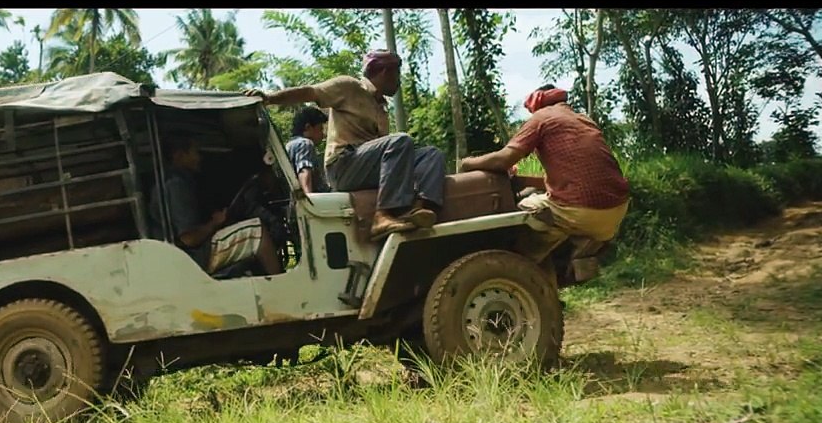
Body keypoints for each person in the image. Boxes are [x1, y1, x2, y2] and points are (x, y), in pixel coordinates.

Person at [245, 50, 448, 239]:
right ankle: (382, 216)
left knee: (431, 154)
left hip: (368, 167)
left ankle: (417, 209)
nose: (399, 81)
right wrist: (270, 98)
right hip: (343, 165)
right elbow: (309, 92)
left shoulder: (382, 108)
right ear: (385, 72)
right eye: (397, 74)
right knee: (401, 141)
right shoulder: (349, 86)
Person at [459, 84, 630, 267]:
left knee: (515, 214)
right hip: (617, 209)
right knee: (546, 205)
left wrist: (467, 163)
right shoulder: (583, 119)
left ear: (537, 102)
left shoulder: (542, 118)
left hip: (580, 211)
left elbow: (503, 160)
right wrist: (525, 181)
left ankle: (519, 269)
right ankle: (579, 246)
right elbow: (578, 179)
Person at [148, 135, 284, 277]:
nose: (199, 158)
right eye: (195, 152)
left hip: (186, 255)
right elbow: (189, 238)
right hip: (193, 257)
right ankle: (280, 284)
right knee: (257, 230)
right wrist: (215, 222)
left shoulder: (173, 181)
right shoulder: (176, 185)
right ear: (180, 155)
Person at [286, 106, 329, 195]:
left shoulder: (290, 145)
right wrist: (309, 199)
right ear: (308, 127)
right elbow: (304, 171)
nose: (323, 134)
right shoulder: (305, 144)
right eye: (320, 128)